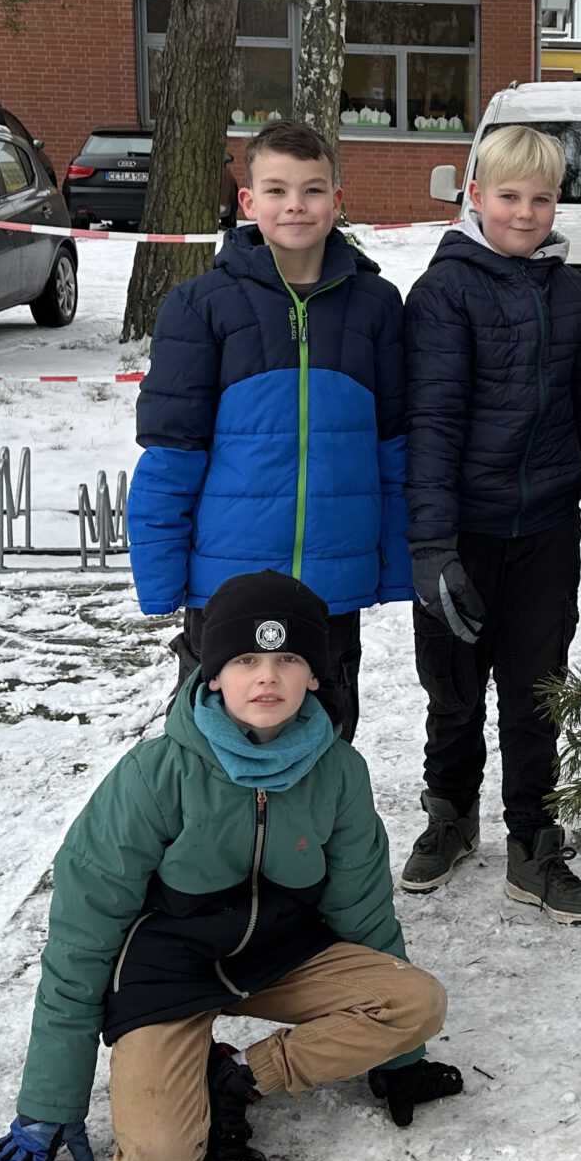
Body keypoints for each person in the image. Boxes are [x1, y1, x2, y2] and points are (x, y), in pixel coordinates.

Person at [0, 570, 462, 1161]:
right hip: (168, 970)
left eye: (288, 659)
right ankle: (187, 1062)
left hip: (283, 956)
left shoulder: (340, 772)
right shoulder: (154, 774)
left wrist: (399, 1059)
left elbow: (364, 912)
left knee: (416, 1001)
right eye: (245, 660)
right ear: (212, 675)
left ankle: (236, 1076)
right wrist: (49, 1099)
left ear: (315, 677)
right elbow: (83, 931)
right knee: (158, 1159)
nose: (267, 677)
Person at [398, 124, 581, 923]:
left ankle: (533, 843)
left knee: (538, 691)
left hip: (543, 528)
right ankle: (450, 813)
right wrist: (432, 547)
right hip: (462, 531)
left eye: (542, 198)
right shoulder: (443, 293)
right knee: (454, 688)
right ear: (475, 197)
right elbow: (431, 425)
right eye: (508, 197)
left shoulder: (570, 293)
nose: (526, 213)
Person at [127, 119, 410, 744]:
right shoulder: (200, 306)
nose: (295, 205)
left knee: (326, 738)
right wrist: (161, 575)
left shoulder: (375, 305)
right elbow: (171, 453)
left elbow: (393, 447)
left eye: (313, 190)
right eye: (277, 190)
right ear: (248, 202)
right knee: (215, 747)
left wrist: (396, 564)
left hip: (332, 585)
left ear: (337, 200)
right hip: (227, 583)